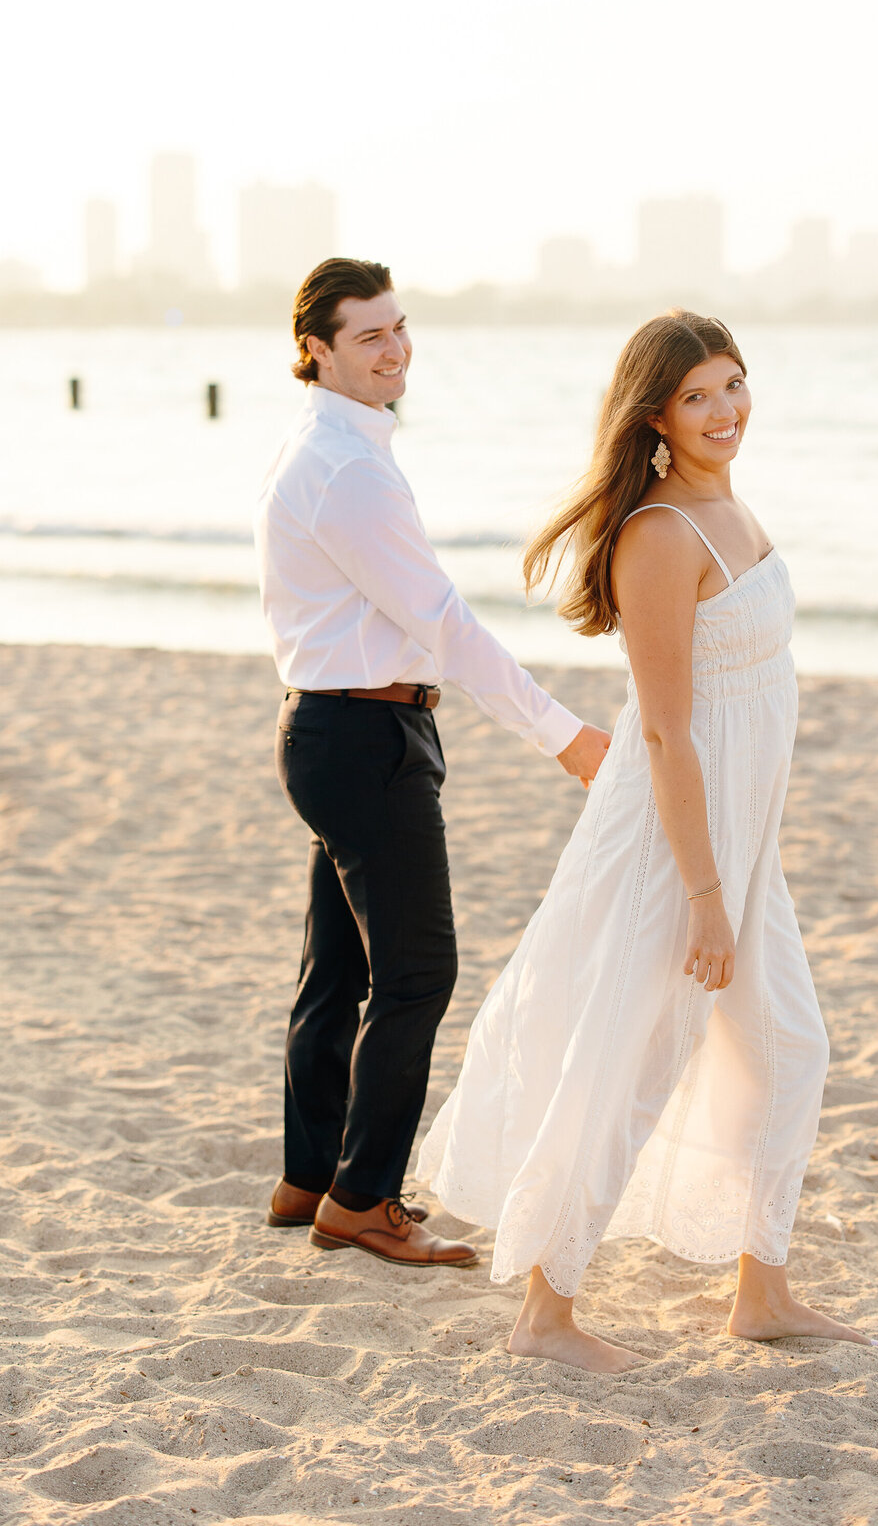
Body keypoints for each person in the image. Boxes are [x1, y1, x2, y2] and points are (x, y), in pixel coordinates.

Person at [418, 309, 873, 1366]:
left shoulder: (733, 509)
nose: (725, 411)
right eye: (698, 396)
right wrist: (707, 892)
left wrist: (746, 861)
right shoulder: (662, 535)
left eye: (734, 384)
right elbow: (666, 730)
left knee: (784, 1048)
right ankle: (545, 1318)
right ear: (655, 416)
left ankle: (762, 1293)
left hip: (739, 847)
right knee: (626, 1059)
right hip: (677, 848)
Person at [253, 257, 611, 1271]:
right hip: (364, 741)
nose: (396, 348)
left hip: (333, 731)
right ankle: (362, 1198)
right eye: (369, 335)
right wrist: (566, 736)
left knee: (341, 970)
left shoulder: (328, 447)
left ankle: (309, 1177)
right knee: (418, 973)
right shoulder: (347, 466)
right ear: (314, 350)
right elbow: (445, 628)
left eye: (399, 327)